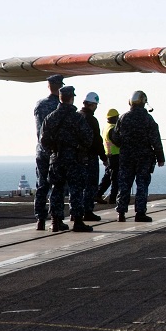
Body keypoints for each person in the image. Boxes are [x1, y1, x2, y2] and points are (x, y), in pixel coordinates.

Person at [39, 85, 92, 232]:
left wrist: (53, 150)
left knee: (56, 189)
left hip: (56, 158)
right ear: (71, 98)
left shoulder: (50, 118)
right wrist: (79, 148)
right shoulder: (78, 118)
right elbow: (88, 138)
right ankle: (77, 221)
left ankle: (56, 221)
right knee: (76, 190)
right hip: (74, 159)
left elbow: (43, 140)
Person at [110, 91, 165, 222]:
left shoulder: (123, 118)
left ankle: (121, 212)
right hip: (144, 158)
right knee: (142, 185)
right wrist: (160, 157)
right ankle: (140, 213)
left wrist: (124, 145)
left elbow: (115, 137)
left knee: (124, 184)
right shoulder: (148, 119)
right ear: (144, 102)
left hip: (126, 157)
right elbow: (155, 139)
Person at [69, 92, 108, 223]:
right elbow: (97, 140)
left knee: (78, 186)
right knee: (91, 185)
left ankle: (75, 212)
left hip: (76, 157)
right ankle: (87, 211)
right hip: (90, 157)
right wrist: (104, 157)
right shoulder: (91, 119)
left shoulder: (76, 117)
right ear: (92, 105)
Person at [33, 74, 63, 230]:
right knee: (57, 185)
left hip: (41, 150)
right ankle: (56, 219)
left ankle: (40, 219)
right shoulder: (60, 106)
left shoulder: (40, 105)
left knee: (42, 185)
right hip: (55, 151)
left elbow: (40, 130)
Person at [97, 108, 120, 204]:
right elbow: (117, 142)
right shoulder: (113, 128)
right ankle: (113, 199)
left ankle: (97, 194)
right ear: (115, 117)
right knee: (115, 179)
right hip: (116, 156)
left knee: (107, 178)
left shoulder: (106, 127)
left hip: (109, 155)